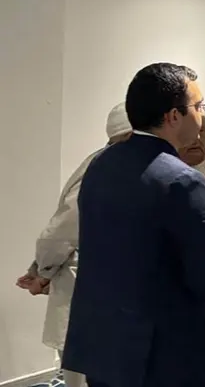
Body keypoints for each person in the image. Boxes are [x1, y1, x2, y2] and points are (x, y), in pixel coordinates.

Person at [63, 63, 205, 387]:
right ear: (174, 116)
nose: (203, 116)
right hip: (162, 353)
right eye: (199, 106)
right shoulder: (183, 180)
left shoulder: (101, 164)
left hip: (103, 344)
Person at [15, 103, 132, 387]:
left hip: (109, 292)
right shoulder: (108, 167)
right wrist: (42, 271)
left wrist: (41, 271)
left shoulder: (110, 163)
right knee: (87, 370)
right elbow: (63, 231)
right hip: (89, 288)